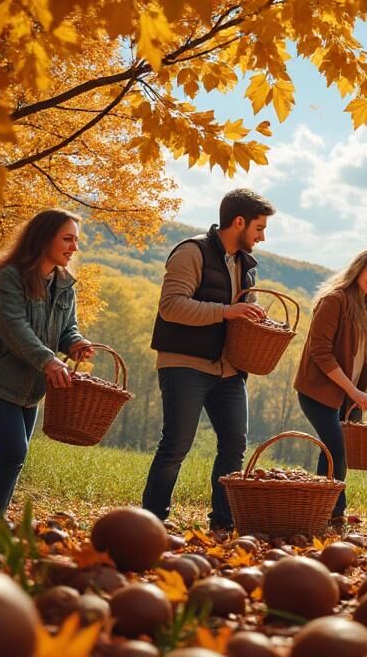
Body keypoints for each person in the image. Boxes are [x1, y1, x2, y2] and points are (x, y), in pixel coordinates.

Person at [142, 189, 273, 532]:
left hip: (229, 370)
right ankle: (151, 521)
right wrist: (228, 311)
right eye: (259, 228)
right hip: (185, 363)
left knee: (234, 446)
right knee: (176, 445)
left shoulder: (246, 266)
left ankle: (223, 523)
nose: (262, 236)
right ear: (239, 222)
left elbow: (240, 317)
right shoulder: (191, 251)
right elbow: (171, 306)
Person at [0, 210, 95, 518]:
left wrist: (74, 343)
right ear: (43, 238)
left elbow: (68, 327)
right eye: (67, 239)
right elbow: (14, 328)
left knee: (16, 456)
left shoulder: (64, 283)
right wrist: (48, 361)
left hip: (30, 388)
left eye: (76, 240)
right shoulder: (9, 276)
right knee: (14, 451)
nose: (74, 247)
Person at [294, 248, 367, 528]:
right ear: (358, 270)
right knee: (335, 448)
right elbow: (320, 352)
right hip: (320, 390)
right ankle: (334, 515)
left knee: (334, 453)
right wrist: (353, 391)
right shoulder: (335, 301)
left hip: (351, 396)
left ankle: (321, 511)